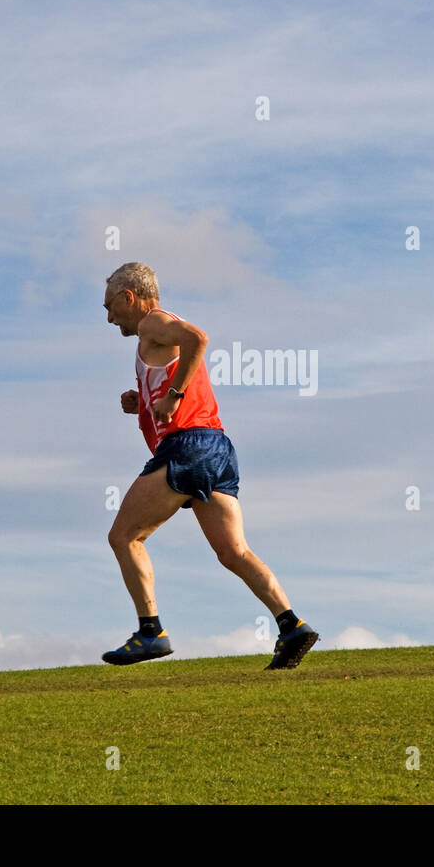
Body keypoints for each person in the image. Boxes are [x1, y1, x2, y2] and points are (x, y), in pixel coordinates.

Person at [101, 261, 319, 669]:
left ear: (129, 297)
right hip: (218, 447)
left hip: (187, 447)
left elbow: (198, 339)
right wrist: (144, 402)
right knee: (234, 552)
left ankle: (150, 633)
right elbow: (176, 371)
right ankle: (291, 625)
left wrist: (174, 396)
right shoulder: (158, 333)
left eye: (111, 306)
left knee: (124, 537)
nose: (110, 318)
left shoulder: (153, 323)